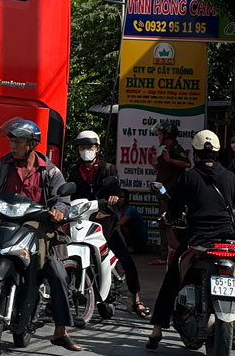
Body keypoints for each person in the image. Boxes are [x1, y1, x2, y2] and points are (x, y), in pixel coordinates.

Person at [0, 119, 81, 351]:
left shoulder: (50, 171)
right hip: (3, 224)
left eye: (18, 141)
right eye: (11, 141)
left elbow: (62, 200)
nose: (12, 146)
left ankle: (61, 330)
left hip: (36, 227)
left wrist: (58, 211)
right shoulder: (1, 167)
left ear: (32, 144)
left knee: (57, 274)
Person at [146, 130, 235, 350]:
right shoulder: (231, 177)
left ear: (194, 153)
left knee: (172, 277)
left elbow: (175, 209)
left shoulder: (189, 177)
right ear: (217, 152)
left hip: (199, 238)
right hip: (229, 238)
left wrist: (169, 217)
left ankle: (157, 329)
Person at [66, 130, 149, 319]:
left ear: (97, 148)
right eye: (82, 147)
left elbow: (115, 191)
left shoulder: (109, 168)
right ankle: (56, 300)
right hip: (82, 220)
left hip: (105, 222)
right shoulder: (73, 171)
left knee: (126, 260)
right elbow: (68, 194)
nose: (86, 150)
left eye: (90, 146)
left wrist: (112, 199)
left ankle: (136, 298)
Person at [148, 121, 190, 265]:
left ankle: (166, 256)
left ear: (167, 135)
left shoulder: (175, 148)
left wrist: (170, 160)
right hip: (164, 193)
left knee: (167, 225)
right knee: (164, 225)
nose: (158, 136)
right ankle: (166, 255)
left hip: (171, 195)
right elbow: (162, 170)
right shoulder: (167, 149)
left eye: (160, 133)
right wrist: (154, 158)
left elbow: (187, 164)